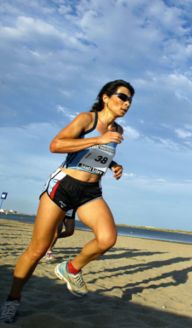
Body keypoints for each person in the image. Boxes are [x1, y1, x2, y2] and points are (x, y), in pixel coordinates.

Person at [0, 80, 135, 324]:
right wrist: (96, 140)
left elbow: (98, 155)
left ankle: (70, 269)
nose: (126, 103)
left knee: (107, 239)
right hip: (63, 186)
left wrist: (114, 165)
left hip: (90, 191)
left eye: (129, 100)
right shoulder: (87, 120)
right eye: (122, 97)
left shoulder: (118, 131)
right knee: (37, 250)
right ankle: (13, 299)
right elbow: (57, 145)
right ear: (106, 97)